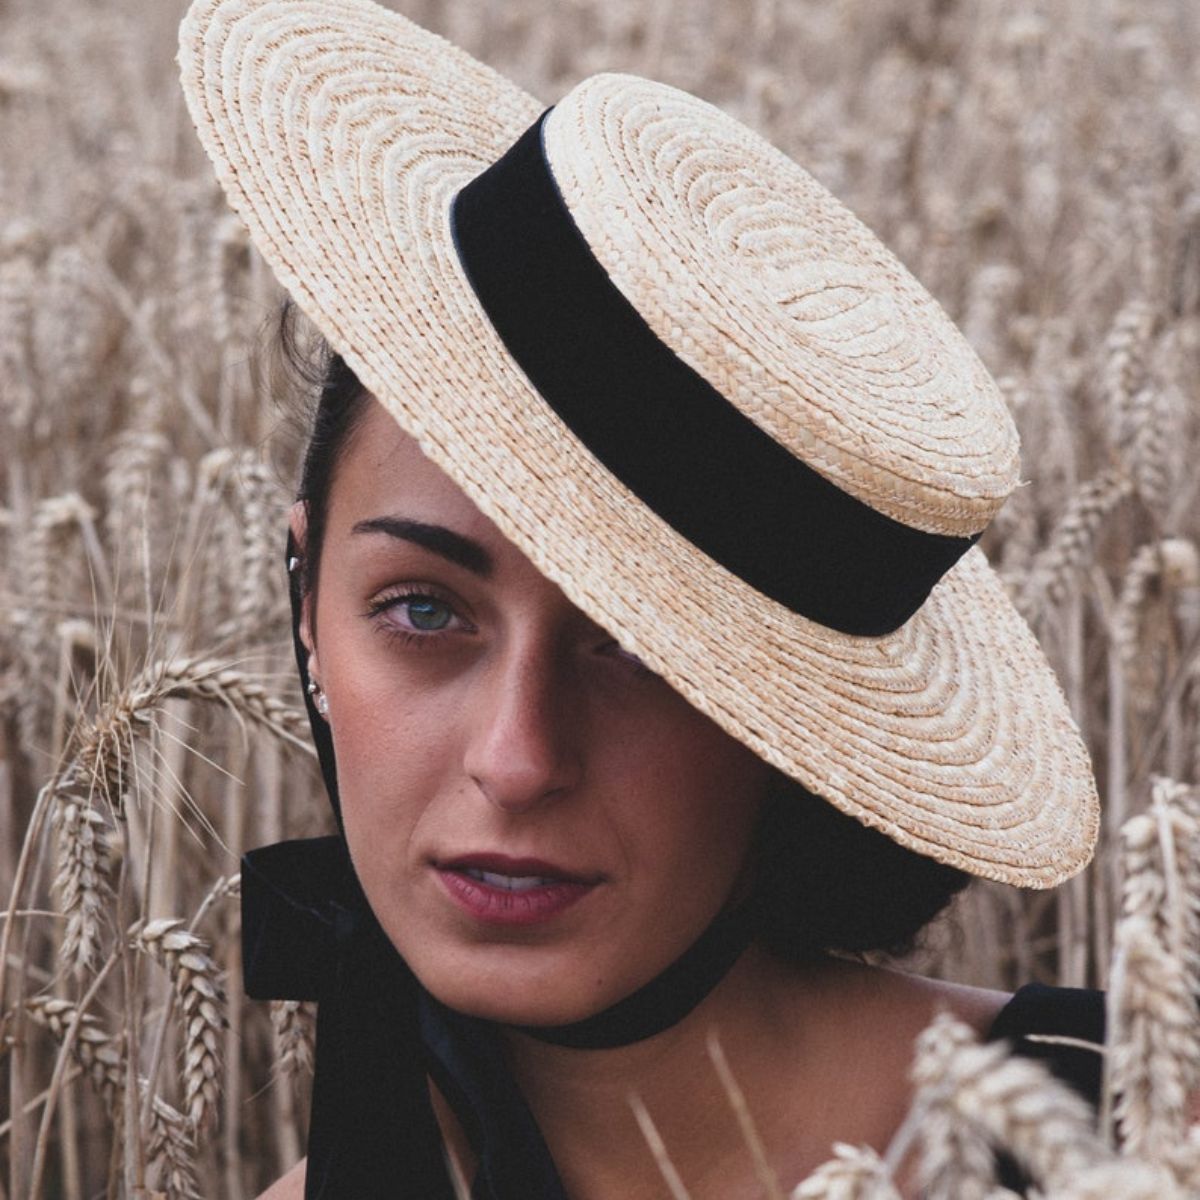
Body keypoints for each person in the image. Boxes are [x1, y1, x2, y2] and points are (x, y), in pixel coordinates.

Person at [177, 1, 1106, 1196]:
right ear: (306, 603)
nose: (516, 761)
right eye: (422, 610)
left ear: (797, 722)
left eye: (641, 649)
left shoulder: (1147, 1143)